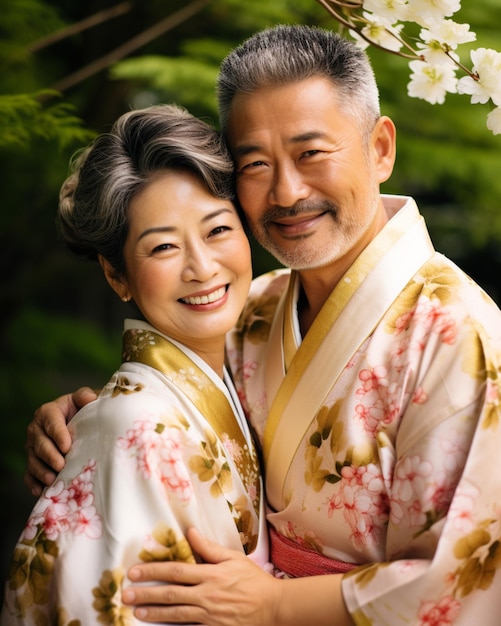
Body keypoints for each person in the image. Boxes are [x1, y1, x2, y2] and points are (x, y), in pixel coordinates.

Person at [23, 24, 501, 626]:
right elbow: (174, 403)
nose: (286, 191)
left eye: (310, 153)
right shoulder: (253, 308)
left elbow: (461, 581)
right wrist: (86, 425)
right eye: (255, 163)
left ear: (380, 148)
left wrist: (277, 603)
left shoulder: (461, 333)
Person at [1, 103, 269, 625]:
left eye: (217, 230)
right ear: (116, 275)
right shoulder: (133, 428)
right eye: (163, 246)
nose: (202, 268)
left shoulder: (265, 337)